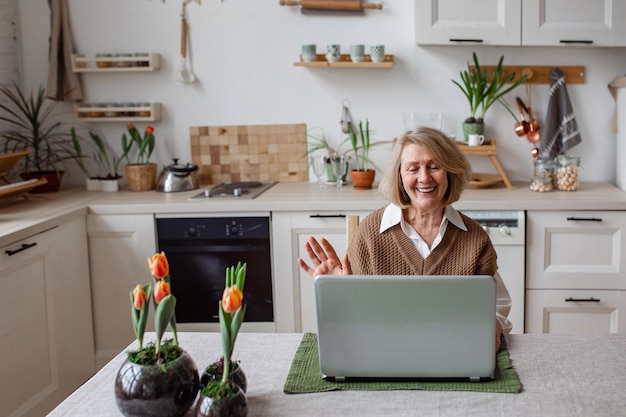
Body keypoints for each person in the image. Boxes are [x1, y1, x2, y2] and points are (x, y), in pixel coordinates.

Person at [298, 127, 512, 352]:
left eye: (434, 166)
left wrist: (494, 325)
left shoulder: (475, 238)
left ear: (449, 171)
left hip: (453, 354)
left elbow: (498, 305)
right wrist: (336, 292)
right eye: (413, 168)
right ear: (399, 176)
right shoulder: (370, 233)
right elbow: (352, 323)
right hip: (382, 354)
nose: (424, 178)